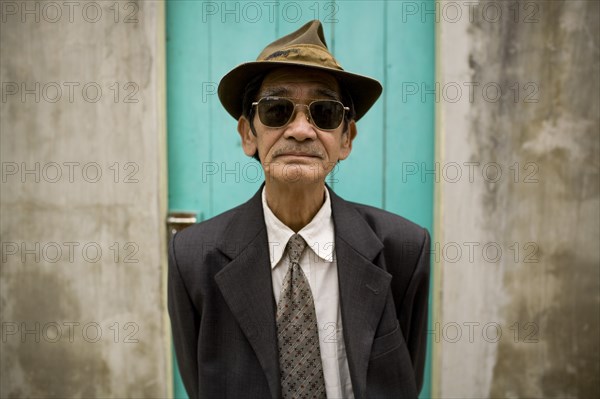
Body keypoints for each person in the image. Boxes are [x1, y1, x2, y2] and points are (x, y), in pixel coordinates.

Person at [168, 20, 430, 399]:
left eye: (324, 112)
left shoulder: (404, 248)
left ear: (346, 140)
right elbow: (199, 384)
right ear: (247, 135)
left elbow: (405, 378)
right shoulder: (192, 257)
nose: (301, 130)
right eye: (277, 110)